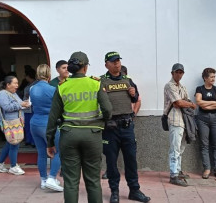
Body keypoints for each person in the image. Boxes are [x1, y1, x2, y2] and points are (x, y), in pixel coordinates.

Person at [46, 51, 112, 203]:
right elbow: (108, 110)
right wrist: (102, 122)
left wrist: (49, 142)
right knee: (93, 181)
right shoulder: (95, 83)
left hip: (69, 135)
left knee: (70, 182)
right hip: (92, 135)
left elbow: (53, 117)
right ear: (85, 67)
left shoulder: (62, 87)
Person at [101, 51, 150, 203]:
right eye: (113, 61)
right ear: (106, 64)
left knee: (131, 160)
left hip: (127, 126)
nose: (117, 63)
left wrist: (134, 94)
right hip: (110, 128)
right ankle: (114, 191)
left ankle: (134, 190)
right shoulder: (101, 82)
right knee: (111, 161)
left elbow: (135, 98)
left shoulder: (128, 80)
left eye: (118, 61)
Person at [29, 64, 63, 191]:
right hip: (49, 124)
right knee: (59, 151)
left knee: (41, 153)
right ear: (49, 75)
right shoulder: (53, 89)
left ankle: (43, 179)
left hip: (34, 123)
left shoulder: (32, 88)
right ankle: (52, 178)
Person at [164, 63, 196, 187]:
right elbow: (178, 103)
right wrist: (191, 105)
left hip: (184, 120)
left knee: (181, 147)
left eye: (181, 72)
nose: (179, 74)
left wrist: (186, 103)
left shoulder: (182, 87)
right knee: (175, 148)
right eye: (177, 72)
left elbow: (185, 101)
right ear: (172, 73)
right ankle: (173, 175)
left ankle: (178, 170)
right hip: (175, 119)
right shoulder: (169, 85)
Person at [0, 75, 30, 175]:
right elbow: (7, 107)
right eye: (15, 83)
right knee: (14, 143)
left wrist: (25, 103)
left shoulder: (12, 93)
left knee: (10, 143)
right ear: (8, 85)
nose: (17, 85)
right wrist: (21, 105)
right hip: (10, 123)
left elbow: (19, 103)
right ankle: (13, 166)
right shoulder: (2, 94)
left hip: (16, 122)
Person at [194, 68, 216, 179]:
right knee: (204, 144)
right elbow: (198, 102)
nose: (213, 79)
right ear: (205, 78)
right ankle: (207, 169)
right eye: (211, 77)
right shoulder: (200, 89)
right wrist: (213, 102)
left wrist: (207, 104)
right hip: (202, 118)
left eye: (214, 77)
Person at [23, 67, 37, 147]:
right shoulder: (29, 84)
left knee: (31, 125)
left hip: (31, 108)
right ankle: (28, 140)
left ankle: (33, 141)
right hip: (27, 108)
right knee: (27, 125)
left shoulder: (35, 85)